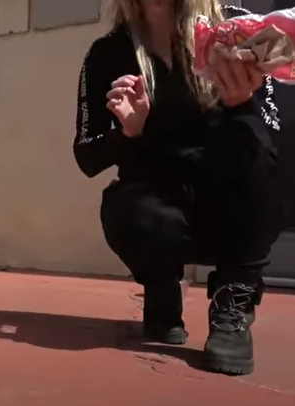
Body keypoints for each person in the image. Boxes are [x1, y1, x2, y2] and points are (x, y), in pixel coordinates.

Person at [73, 0, 282, 376]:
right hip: (161, 208)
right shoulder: (108, 52)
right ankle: (161, 286)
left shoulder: (238, 27)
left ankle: (232, 303)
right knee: (125, 209)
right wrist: (128, 133)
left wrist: (240, 104)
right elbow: (87, 156)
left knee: (260, 158)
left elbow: (274, 137)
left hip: (231, 209)